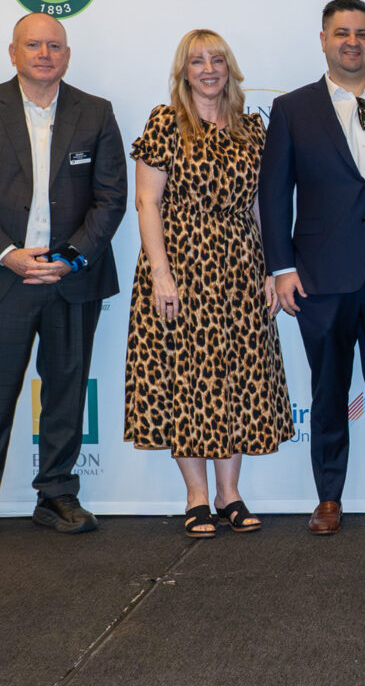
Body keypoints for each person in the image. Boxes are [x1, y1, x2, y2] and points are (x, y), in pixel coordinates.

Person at [0, 12, 127, 545]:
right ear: (13, 52)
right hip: (1, 278)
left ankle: (57, 495)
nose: (44, 54)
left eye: (54, 46)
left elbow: (111, 197)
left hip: (71, 280)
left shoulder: (96, 112)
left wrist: (72, 258)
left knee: (67, 391)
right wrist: (8, 254)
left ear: (67, 55)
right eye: (33, 45)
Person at [258, 0, 365, 535]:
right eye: (341, 33)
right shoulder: (292, 108)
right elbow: (274, 194)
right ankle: (328, 497)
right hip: (320, 278)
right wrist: (281, 267)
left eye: (362, 33)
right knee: (329, 392)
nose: (352, 42)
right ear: (324, 40)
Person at [124, 29, 293, 537]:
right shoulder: (165, 123)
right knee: (187, 379)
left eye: (217, 60)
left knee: (237, 379)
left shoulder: (252, 128)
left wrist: (271, 268)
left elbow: (262, 204)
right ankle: (196, 496)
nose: (208, 69)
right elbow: (147, 201)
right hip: (181, 267)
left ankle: (229, 494)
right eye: (197, 61)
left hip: (241, 269)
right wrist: (161, 273)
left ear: (229, 69)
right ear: (184, 71)